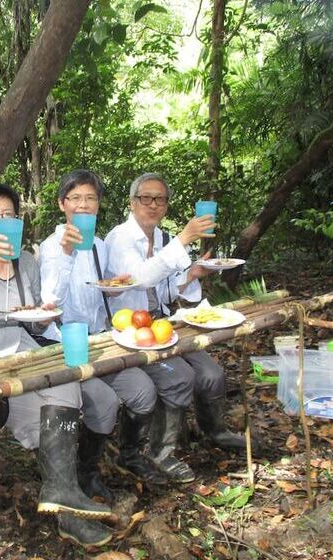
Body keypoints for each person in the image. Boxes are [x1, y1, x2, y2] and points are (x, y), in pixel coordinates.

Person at [0, 181, 112, 547]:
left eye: (8, 214)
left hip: (24, 350)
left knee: (67, 382)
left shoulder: (25, 260)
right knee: (46, 411)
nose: (1, 220)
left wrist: (44, 315)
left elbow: (36, 317)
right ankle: (68, 509)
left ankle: (59, 491)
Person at [105, 172, 245, 482]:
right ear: (132, 202)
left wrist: (192, 274)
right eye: (146, 198)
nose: (153, 205)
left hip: (165, 323)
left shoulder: (165, 239)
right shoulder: (119, 239)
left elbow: (168, 290)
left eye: (160, 199)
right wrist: (184, 239)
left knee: (211, 374)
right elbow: (140, 278)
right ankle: (160, 451)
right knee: (180, 375)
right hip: (131, 330)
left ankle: (216, 432)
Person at [39, 170, 167, 501]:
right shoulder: (50, 248)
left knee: (142, 390)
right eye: (76, 198)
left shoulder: (97, 245)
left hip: (102, 340)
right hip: (65, 346)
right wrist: (67, 255)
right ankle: (85, 470)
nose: (84, 205)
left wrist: (116, 287)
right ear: (62, 204)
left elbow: (103, 290)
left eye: (91, 198)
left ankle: (128, 455)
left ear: (98, 205)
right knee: (106, 402)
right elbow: (49, 303)